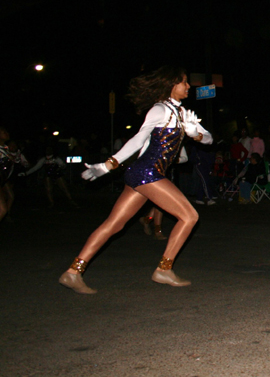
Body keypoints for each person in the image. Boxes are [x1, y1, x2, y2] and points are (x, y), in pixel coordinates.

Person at [59, 66, 212, 294]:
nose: (188, 86)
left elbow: (208, 139)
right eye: (184, 82)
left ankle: (73, 272)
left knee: (114, 224)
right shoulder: (160, 109)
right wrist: (109, 164)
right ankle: (164, 269)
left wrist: (194, 133)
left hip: (144, 174)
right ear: (171, 84)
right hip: (147, 173)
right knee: (190, 216)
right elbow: (138, 139)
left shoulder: (181, 114)